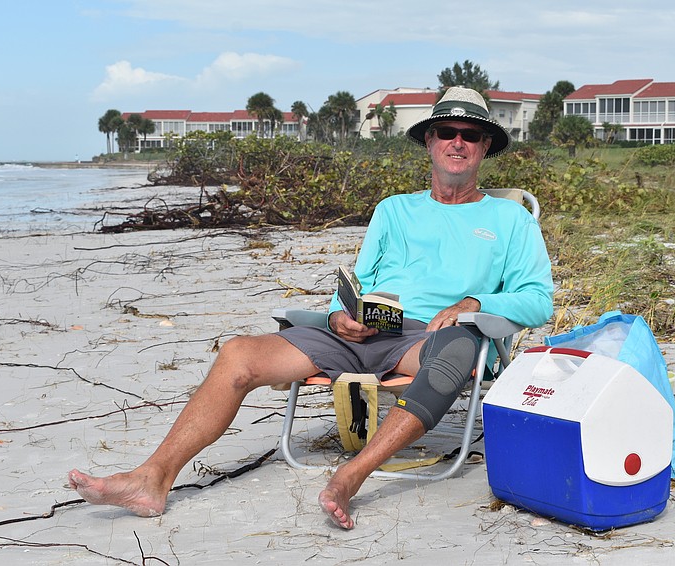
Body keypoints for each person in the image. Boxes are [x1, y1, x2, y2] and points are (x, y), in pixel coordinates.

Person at [68, 87, 554, 530]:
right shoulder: (393, 210)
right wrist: (338, 316)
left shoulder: (510, 218)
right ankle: (152, 479)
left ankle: (352, 474)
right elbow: (357, 284)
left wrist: (476, 302)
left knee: (455, 352)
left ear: (485, 147)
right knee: (239, 353)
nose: (458, 142)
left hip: (431, 340)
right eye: (447, 131)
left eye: (471, 135)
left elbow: (537, 299)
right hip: (365, 332)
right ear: (429, 140)